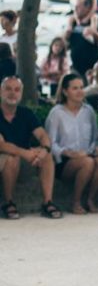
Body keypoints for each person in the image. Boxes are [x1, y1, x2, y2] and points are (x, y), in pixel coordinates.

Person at [45, 73, 98, 215]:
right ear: (65, 91)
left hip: (87, 155)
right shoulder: (56, 113)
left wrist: (94, 148)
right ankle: (75, 202)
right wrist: (67, 152)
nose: (80, 91)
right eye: (75, 88)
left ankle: (90, 200)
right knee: (87, 163)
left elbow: (95, 137)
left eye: (81, 87)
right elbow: (50, 143)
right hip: (64, 162)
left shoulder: (88, 111)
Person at [0, 76, 60, 220]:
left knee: (46, 156)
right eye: (8, 89)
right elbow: (2, 145)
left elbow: (42, 135)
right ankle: (8, 202)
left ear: (21, 93)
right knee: (11, 158)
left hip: (25, 159)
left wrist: (44, 150)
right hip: (4, 159)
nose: (12, 93)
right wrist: (25, 153)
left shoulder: (26, 113)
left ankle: (48, 202)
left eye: (16, 90)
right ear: (0, 91)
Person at [65, 0, 98, 77]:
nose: (75, 9)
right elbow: (65, 46)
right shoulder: (73, 22)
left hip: (93, 69)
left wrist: (95, 33)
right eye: (75, 7)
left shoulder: (97, 22)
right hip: (75, 68)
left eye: (78, 7)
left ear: (87, 8)